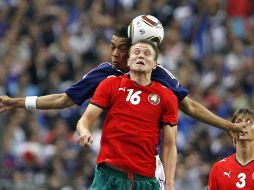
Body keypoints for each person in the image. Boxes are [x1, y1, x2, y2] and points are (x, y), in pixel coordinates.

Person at [0, 26, 244, 134]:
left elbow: (188, 105)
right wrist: (16, 102)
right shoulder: (105, 73)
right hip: (114, 159)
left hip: (147, 161)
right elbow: (63, 99)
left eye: (121, 49)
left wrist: (227, 126)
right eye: (112, 47)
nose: (114, 54)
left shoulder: (158, 73)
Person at [76, 40, 177, 190]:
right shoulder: (110, 84)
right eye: (136, 52)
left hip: (145, 181)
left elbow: (169, 145)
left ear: (155, 64)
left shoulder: (167, 96)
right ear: (128, 61)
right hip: (108, 177)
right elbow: (86, 119)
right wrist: (84, 132)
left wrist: (169, 184)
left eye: (147, 53)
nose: (140, 56)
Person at [208, 108, 254, 190]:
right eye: (238, 122)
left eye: (249, 121)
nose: (243, 125)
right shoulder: (219, 168)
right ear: (231, 130)